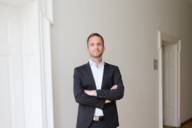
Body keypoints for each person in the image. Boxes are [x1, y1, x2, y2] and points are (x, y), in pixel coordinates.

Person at [73, 33, 124, 128]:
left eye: (99, 44)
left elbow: (119, 93)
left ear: (104, 48)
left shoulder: (113, 70)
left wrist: (95, 93)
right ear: (87, 49)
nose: (96, 47)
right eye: (92, 44)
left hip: (108, 123)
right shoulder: (79, 71)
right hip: (87, 124)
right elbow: (79, 97)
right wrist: (104, 100)